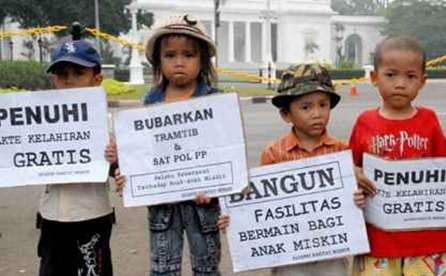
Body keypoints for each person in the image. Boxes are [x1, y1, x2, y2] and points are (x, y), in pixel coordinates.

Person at [218, 63, 365, 276]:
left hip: (332, 253)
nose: (317, 113)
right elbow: (259, 206)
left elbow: (353, 200)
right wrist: (237, 220)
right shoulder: (274, 153)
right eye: (306, 107)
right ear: (286, 115)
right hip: (289, 256)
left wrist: (358, 200)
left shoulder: (342, 151)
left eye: (323, 105)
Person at [115, 14, 222, 275]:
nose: (179, 62)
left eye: (188, 54)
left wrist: (217, 185)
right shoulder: (150, 103)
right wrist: (125, 173)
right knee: (163, 269)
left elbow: (224, 153)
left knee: (206, 268)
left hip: (203, 205)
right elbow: (140, 152)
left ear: (203, 60)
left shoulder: (215, 101)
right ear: (158, 60)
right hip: (163, 205)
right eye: (170, 55)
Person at [350, 36, 446, 276]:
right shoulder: (365, 122)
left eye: (410, 76)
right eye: (391, 75)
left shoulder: (430, 121)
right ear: (374, 77)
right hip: (378, 240)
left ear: (422, 82)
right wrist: (355, 174)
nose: (400, 84)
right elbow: (349, 168)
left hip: (426, 241)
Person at [38, 39, 117, 276]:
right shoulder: (40, 121)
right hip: (51, 215)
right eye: (62, 74)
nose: (69, 80)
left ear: (97, 79)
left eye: (78, 73)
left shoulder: (108, 123)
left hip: (92, 214)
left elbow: (120, 170)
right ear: (54, 80)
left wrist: (115, 159)